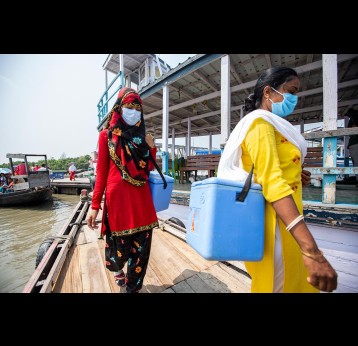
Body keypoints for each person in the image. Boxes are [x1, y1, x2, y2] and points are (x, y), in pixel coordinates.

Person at [217, 66, 337, 293]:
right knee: (278, 284)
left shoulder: (276, 127)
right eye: (290, 91)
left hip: (287, 220)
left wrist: (294, 174)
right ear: (268, 92)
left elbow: (272, 170)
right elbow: (272, 184)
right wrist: (312, 250)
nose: (294, 98)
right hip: (273, 225)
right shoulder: (260, 126)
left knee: (290, 282)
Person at [86, 87, 158, 293]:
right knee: (119, 254)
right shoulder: (106, 136)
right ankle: (118, 272)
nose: (133, 110)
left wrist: (151, 147)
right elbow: (101, 173)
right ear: (119, 107)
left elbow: (149, 168)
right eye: (129, 105)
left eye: (137, 106)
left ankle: (132, 288)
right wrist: (94, 205)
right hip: (118, 204)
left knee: (141, 253)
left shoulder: (143, 136)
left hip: (142, 203)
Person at [346, 109, 358, 186]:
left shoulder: (354, 118)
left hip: (354, 145)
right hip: (353, 144)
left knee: (356, 163)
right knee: (356, 163)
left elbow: (349, 129)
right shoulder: (352, 119)